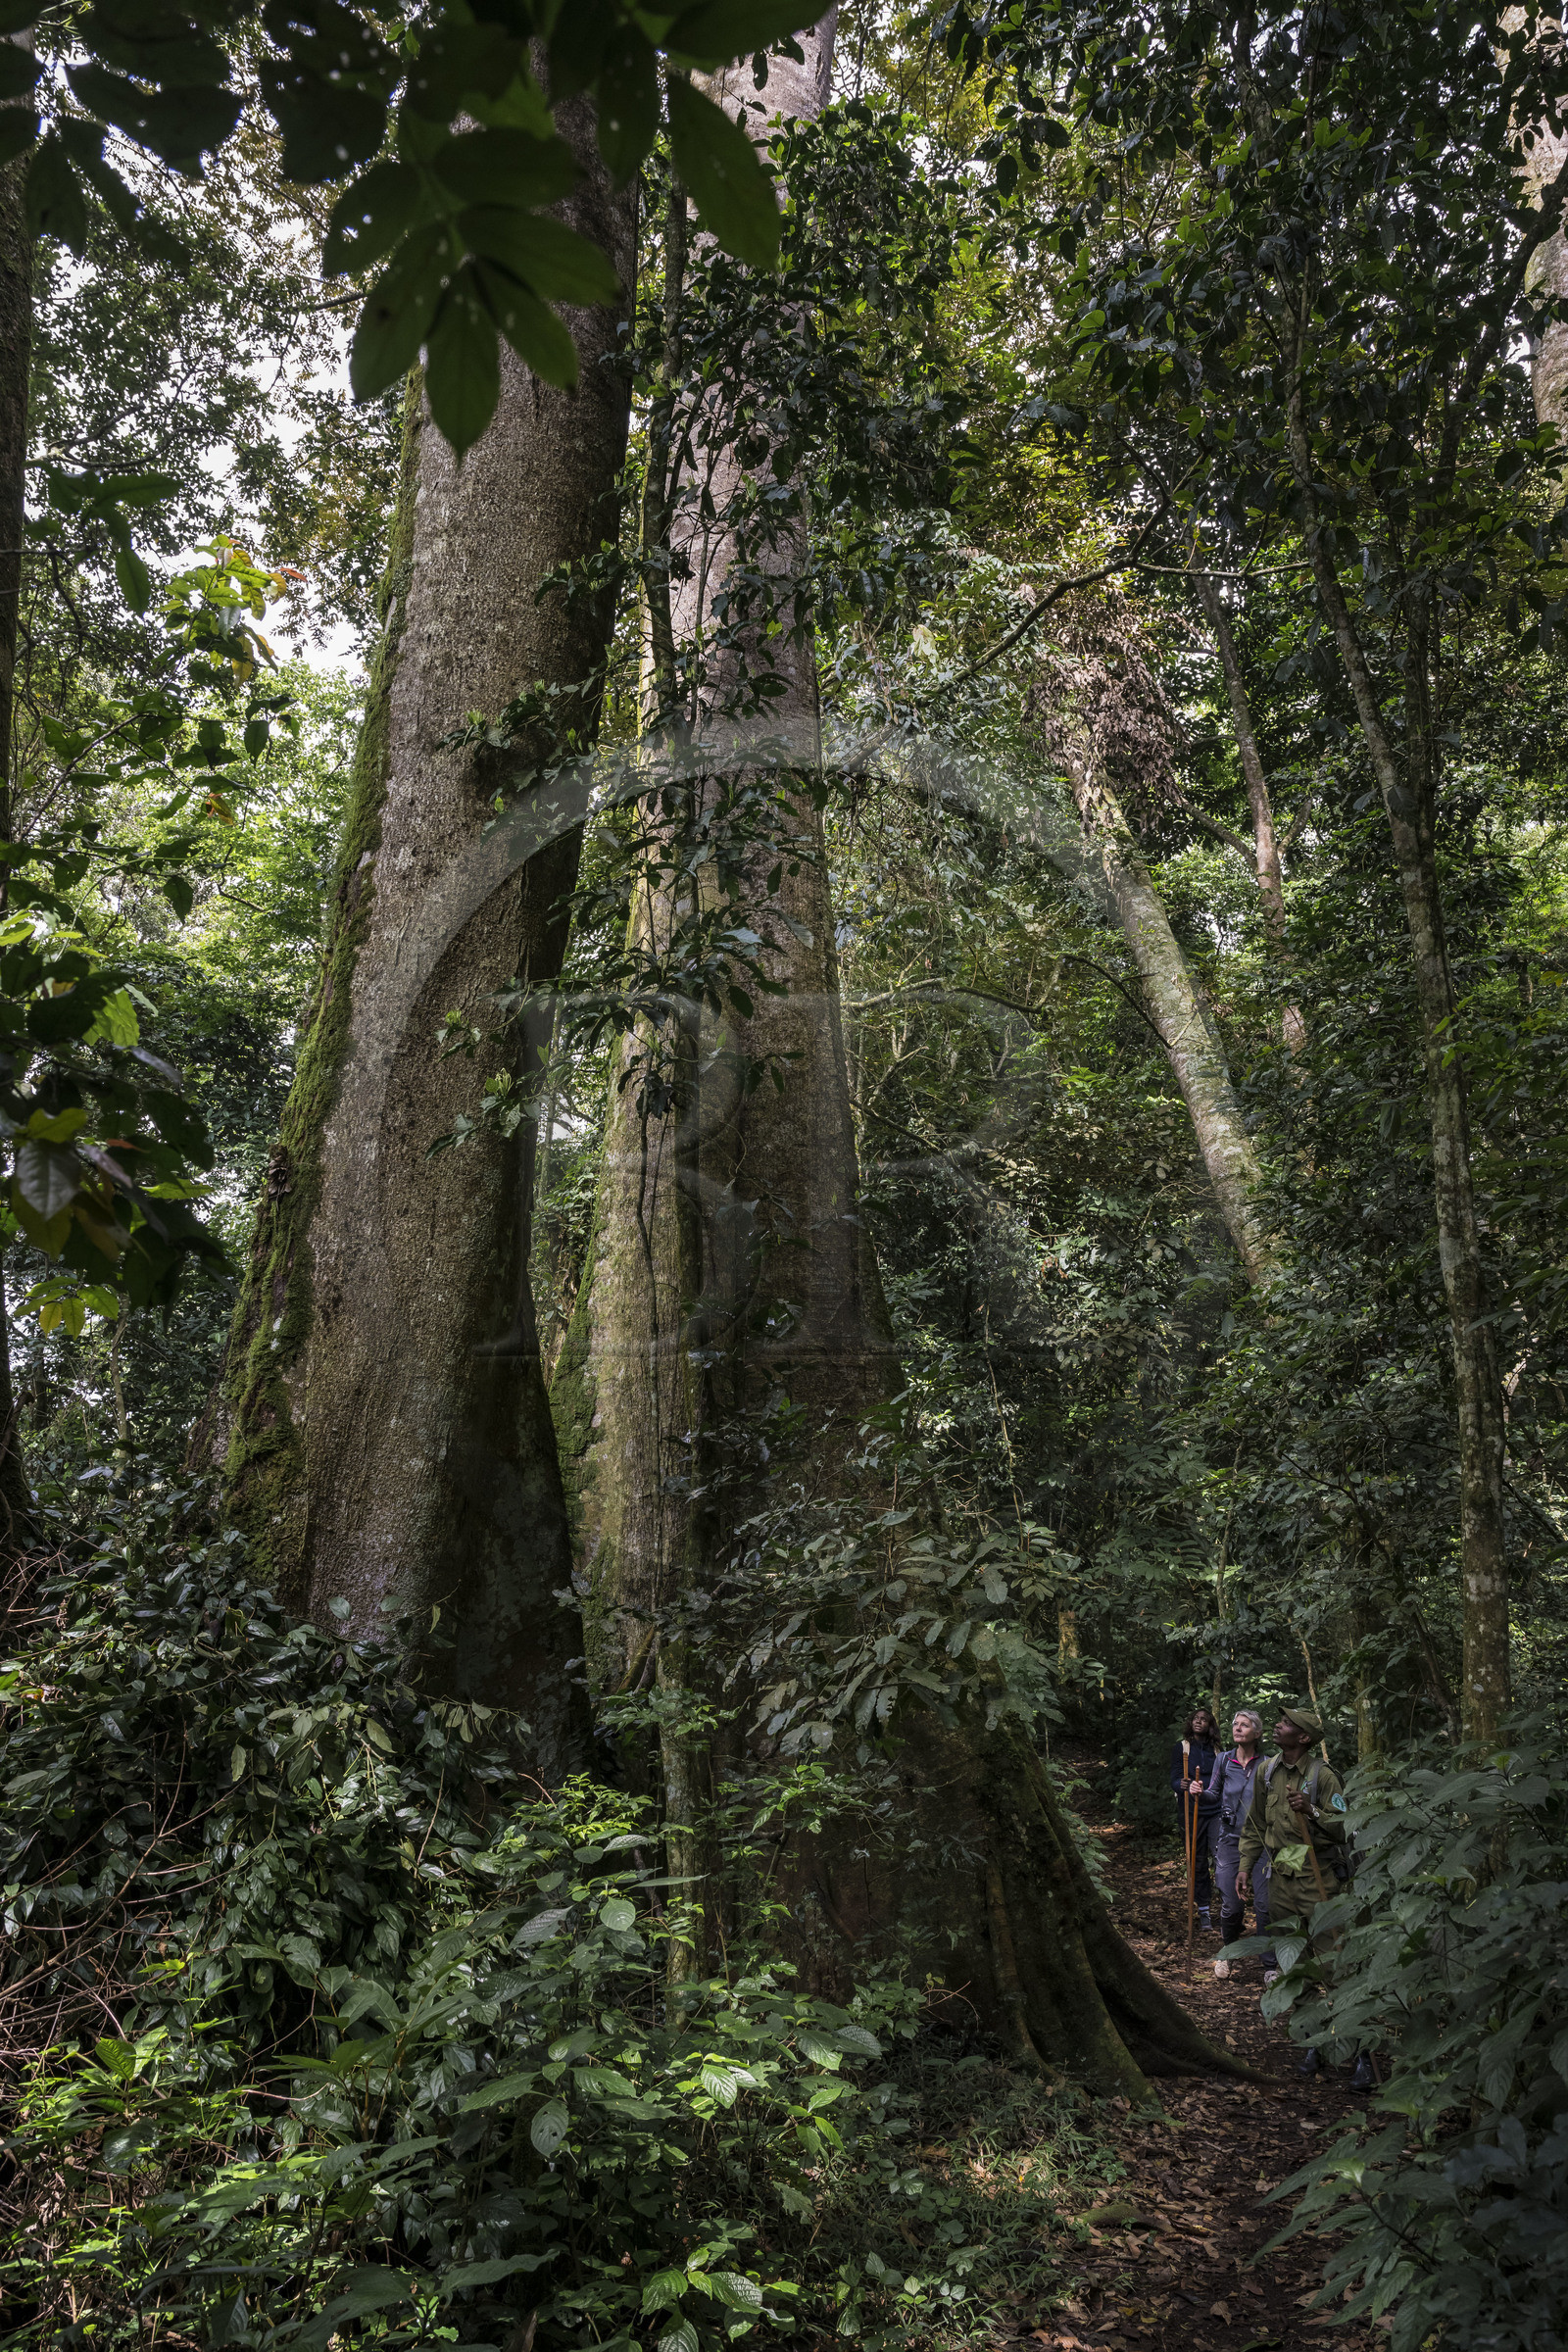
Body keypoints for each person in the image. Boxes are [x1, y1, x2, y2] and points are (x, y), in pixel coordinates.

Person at [1238, 1705, 1374, 2090]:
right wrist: (1245, 1865)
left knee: (1336, 1966)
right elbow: (1255, 1822)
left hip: (1320, 1882)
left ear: (1303, 1737)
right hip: (1280, 1882)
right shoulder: (1267, 1772)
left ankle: (1361, 2052)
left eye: (1285, 1723)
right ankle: (1313, 2043)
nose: (1277, 1725)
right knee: (1295, 1967)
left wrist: (1311, 1810)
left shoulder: (1323, 1776)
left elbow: (1346, 1825)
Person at [1205, 1708, 1271, 1957]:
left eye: (1244, 1724)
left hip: (1261, 1842)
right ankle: (1229, 1952)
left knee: (1264, 1905)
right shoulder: (1223, 1760)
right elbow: (1213, 1793)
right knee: (1231, 1906)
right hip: (1229, 1840)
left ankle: (1269, 1964)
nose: (1238, 1728)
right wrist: (1199, 1792)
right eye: (1235, 1724)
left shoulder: (1268, 1764)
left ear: (1257, 1733)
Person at [1169, 1705, 1222, 1929]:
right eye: (1196, 1718)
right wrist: (1180, 1784)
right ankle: (1204, 1910)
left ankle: (1229, 1909)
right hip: (1191, 1811)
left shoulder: (1218, 1750)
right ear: (1191, 1723)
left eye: (1204, 1719)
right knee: (1197, 1861)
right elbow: (1174, 1777)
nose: (1199, 1721)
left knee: (1222, 1858)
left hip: (1216, 1811)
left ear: (1210, 1725)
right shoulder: (1182, 1748)